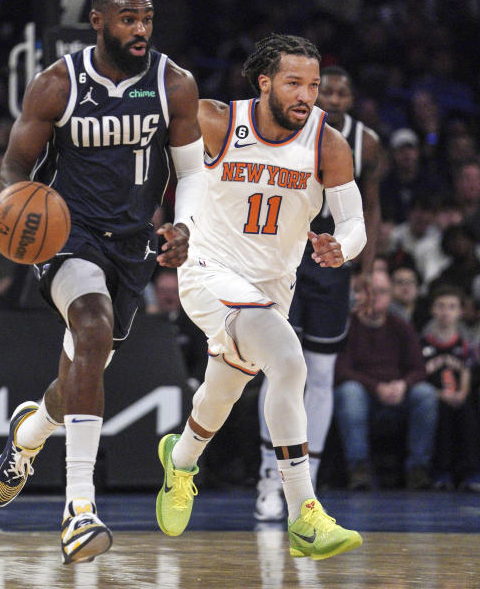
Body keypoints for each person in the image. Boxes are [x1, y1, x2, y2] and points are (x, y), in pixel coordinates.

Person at [0, 0, 205, 564]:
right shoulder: (56, 85)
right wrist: (14, 218)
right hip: (67, 231)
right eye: (129, 18)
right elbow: (14, 168)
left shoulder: (173, 84)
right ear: (98, 20)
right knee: (91, 326)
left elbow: (194, 175)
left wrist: (185, 227)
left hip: (132, 243)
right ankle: (79, 510)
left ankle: (29, 434)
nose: (141, 29)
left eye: (148, 19)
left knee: (83, 366)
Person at [154, 34, 363, 560]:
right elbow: (161, 159)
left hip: (272, 287)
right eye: (294, 83)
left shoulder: (328, 143)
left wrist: (344, 247)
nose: (306, 95)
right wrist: (165, 225)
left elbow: (354, 222)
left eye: (314, 85)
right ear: (265, 82)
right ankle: (304, 513)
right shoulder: (217, 121)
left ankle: (179, 461)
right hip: (208, 271)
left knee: (221, 392)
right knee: (290, 362)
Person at [253, 65, 383, 522]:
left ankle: (307, 485)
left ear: (350, 99)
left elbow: (371, 208)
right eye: (325, 88)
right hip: (285, 252)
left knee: (322, 374)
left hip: (333, 255)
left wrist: (365, 270)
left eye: (341, 91)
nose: (333, 96)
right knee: (280, 366)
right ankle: (270, 475)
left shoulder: (365, 141)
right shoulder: (287, 128)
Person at [334, 269, 435, 490]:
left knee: (426, 394)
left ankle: (418, 469)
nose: (376, 297)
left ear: (390, 296)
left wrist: (403, 385)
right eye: (370, 291)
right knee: (350, 392)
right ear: (359, 295)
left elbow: (419, 369)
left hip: (398, 394)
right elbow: (340, 370)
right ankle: (358, 468)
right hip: (364, 395)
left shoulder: (401, 326)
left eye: (382, 292)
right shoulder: (347, 326)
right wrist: (375, 387)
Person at [420, 286, 480, 491]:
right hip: (436, 397)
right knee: (442, 419)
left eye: (451, 307)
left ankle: (472, 472)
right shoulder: (422, 343)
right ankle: (441, 472)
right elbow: (421, 375)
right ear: (433, 310)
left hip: (458, 396)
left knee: (468, 414)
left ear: (460, 311)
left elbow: (467, 371)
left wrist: (461, 394)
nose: (446, 311)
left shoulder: (466, 345)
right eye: (441, 306)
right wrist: (441, 394)